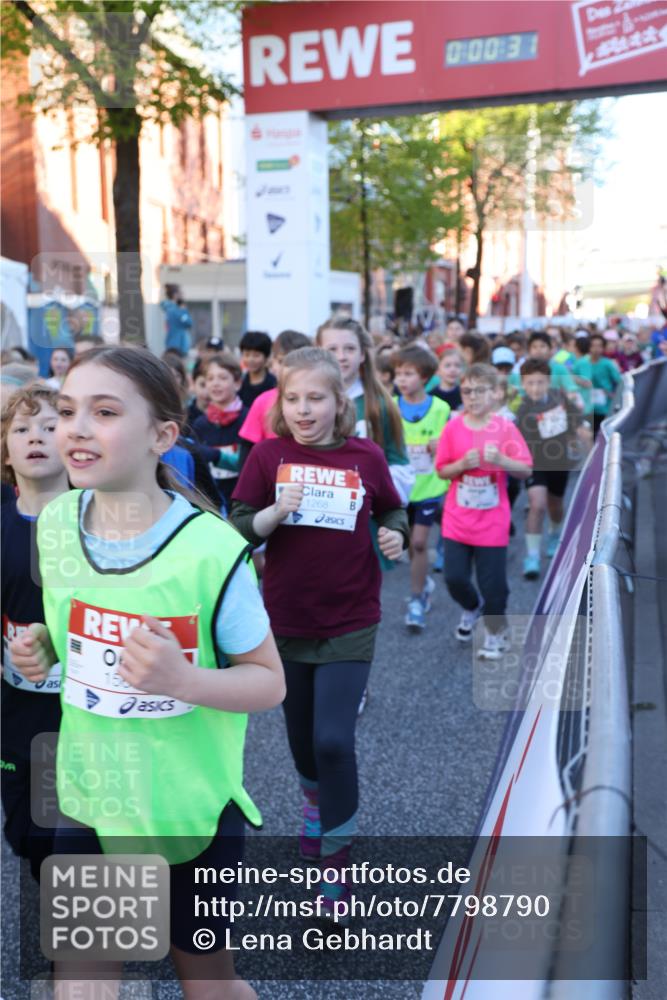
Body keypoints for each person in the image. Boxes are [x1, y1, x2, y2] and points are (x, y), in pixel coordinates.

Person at [9, 346, 284, 1000]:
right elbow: (71, 622)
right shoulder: (54, 524)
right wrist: (45, 647)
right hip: (90, 794)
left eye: (103, 412)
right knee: (82, 980)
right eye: (68, 410)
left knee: (208, 985)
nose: (73, 428)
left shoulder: (212, 550)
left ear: (162, 436)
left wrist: (184, 681)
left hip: (189, 808)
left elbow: (267, 681)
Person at [230, 347, 407, 916]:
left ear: (339, 402)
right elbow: (237, 528)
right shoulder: (267, 455)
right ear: (280, 403)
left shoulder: (365, 456)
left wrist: (395, 535)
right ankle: (312, 802)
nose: (304, 409)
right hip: (284, 620)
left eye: (316, 398)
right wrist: (272, 515)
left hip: (352, 619)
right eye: (293, 398)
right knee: (302, 740)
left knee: (334, 740)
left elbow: (391, 511)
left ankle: (337, 864)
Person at [1, 385, 69, 882]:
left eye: (50, 426)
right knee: (31, 835)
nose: (35, 437)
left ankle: (89, 948)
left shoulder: (103, 519)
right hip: (17, 712)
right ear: (6, 449)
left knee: (82, 832)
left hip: (88, 714)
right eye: (21, 429)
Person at [435, 363, 532, 659]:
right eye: (467, 391)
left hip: (492, 521)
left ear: (494, 393)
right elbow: (441, 471)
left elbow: (525, 469)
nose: (473, 397)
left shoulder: (505, 428)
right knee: (454, 578)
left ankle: (495, 634)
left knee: (495, 587)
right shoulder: (453, 428)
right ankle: (471, 606)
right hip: (457, 520)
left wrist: (502, 459)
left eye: (480, 391)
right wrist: (462, 465)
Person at [315, 316, 412, 505]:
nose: (341, 356)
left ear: (362, 354)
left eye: (349, 348)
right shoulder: (303, 403)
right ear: (318, 353)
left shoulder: (381, 404)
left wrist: (373, 493)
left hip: (366, 515)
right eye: (332, 349)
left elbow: (400, 464)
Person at [515, 359, 591, 578]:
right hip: (533, 464)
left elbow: (580, 428)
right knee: (537, 505)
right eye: (530, 384)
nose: (535, 388)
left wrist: (592, 458)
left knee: (555, 505)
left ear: (548, 382)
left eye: (540, 383)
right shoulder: (521, 409)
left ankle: (555, 533)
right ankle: (532, 556)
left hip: (559, 461)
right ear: (523, 384)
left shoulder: (560, 399)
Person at [392, 346, 450, 631]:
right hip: (399, 488)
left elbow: (451, 445)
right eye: (398, 373)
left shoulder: (441, 409)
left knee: (418, 542)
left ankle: (416, 601)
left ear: (424, 376)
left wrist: (441, 446)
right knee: (406, 545)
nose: (401, 379)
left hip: (428, 485)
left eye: (408, 374)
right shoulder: (389, 406)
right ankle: (422, 578)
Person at [238, 329, 311, 458]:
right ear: (273, 363)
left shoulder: (320, 401)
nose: (288, 369)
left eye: (296, 363)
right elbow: (247, 450)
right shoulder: (262, 401)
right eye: (282, 361)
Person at [192, 352, 248, 513]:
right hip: (210, 503)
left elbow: (251, 465)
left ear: (237, 383)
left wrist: (217, 456)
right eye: (210, 379)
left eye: (223, 378)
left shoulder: (248, 418)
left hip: (241, 502)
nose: (215, 384)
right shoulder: (199, 424)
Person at [588, 332, 623, 436]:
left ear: (603, 348)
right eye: (593, 345)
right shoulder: (582, 363)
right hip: (588, 406)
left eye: (599, 346)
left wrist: (613, 395)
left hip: (604, 406)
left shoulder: (608, 363)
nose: (596, 349)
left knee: (601, 433)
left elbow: (620, 380)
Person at [239, 330, 276, 407]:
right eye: (247, 355)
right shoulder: (239, 383)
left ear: (266, 357)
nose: (250, 359)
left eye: (256, 355)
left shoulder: (274, 384)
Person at [160, 285, 193, 357]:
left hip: (173, 343)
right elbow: (188, 322)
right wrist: (183, 310)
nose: (183, 295)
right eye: (181, 293)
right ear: (175, 295)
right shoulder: (176, 310)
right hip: (178, 345)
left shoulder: (169, 308)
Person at [431, 346, 463, 411]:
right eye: (447, 365)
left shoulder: (464, 394)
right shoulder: (432, 397)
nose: (453, 370)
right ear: (438, 370)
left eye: (457, 365)